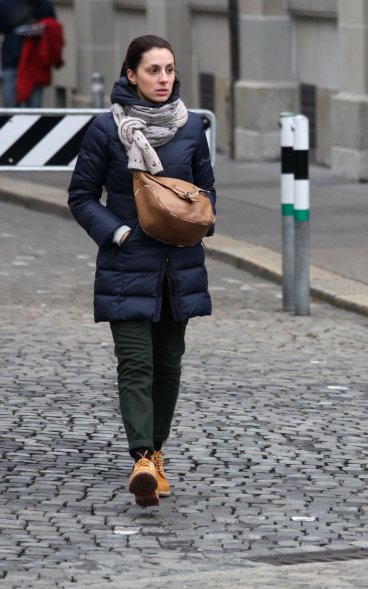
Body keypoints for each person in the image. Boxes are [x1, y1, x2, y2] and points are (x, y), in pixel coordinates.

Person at [68, 34, 216, 508]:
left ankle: (155, 453)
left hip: (178, 266)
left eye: (169, 69)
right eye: (153, 70)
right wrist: (117, 232)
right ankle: (143, 460)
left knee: (168, 366)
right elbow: (81, 196)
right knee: (136, 364)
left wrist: (199, 223)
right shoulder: (106, 129)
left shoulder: (190, 127)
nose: (163, 78)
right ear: (131, 75)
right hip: (127, 265)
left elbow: (207, 190)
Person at [0, 0, 58, 107]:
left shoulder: (43, 4)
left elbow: (54, 30)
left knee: (34, 109)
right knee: (10, 109)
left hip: (35, 63)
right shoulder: (5, 3)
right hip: (11, 62)